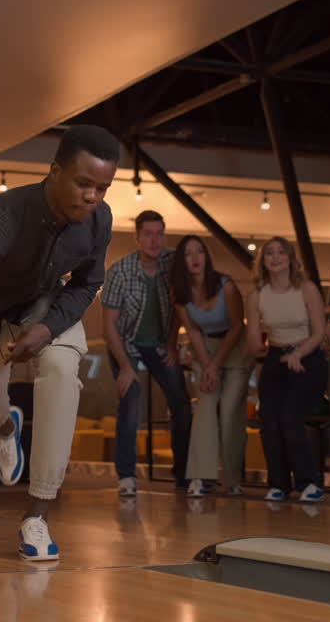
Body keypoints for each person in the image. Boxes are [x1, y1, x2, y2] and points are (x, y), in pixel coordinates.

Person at [0, 124, 119, 562]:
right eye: (84, 183)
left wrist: (50, 328)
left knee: (61, 370)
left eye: (103, 188)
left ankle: (37, 515)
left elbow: (88, 284)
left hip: (44, 311)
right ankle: (5, 426)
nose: (93, 197)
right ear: (55, 171)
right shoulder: (0, 218)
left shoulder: (99, 220)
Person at [102, 210, 192, 496]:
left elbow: (180, 306)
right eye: (148, 234)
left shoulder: (172, 264)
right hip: (126, 344)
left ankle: (184, 475)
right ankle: (126, 476)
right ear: (137, 237)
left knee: (181, 404)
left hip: (160, 345)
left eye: (159, 233)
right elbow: (109, 326)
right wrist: (126, 367)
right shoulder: (119, 271)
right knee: (130, 404)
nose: (155, 240)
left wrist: (171, 343)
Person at [245, 236, 328, 504]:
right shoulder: (257, 295)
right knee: (269, 420)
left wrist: (299, 353)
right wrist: (256, 346)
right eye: (270, 253)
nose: (276, 257)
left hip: (308, 358)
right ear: (263, 261)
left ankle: (308, 483)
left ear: (291, 258)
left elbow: (319, 332)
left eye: (281, 252)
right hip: (276, 358)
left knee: (291, 417)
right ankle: (278, 484)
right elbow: (255, 338)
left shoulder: (306, 289)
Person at [170, 235, 250, 498]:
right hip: (204, 350)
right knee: (204, 408)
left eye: (199, 252)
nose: (195, 258)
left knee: (229, 413)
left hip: (235, 348)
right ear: (182, 261)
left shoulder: (226, 286)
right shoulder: (180, 293)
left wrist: (215, 365)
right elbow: (191, 330)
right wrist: (207, 366)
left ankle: (232, 479)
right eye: (188, 254)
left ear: (207, 256)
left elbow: (238, 326)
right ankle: (200, 477)